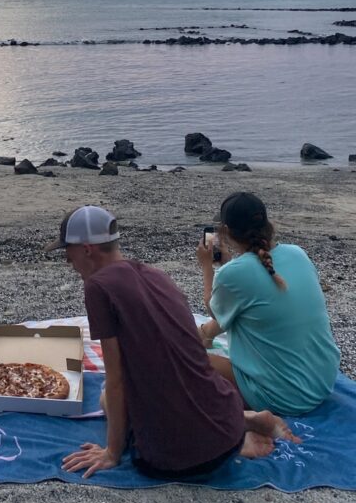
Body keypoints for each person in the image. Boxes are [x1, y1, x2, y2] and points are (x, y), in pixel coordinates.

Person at [52, 205, 299, 479]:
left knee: (107, 398)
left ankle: (241, 440)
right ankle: (247, 420)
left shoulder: (98, 286)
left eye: (68, 251)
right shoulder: (155, 275)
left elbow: (116, 378)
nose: (67, 261)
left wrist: (112, 451)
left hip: (183, 457)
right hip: (225, 417)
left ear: (87, 249)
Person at [198, 191, 340, 416]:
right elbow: (253, 294)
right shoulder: (297, 253)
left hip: (284, 397)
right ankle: (205, 335)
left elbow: (214, 310)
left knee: (185, 359)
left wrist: (208, 267)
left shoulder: (233, 274)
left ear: (225, 232)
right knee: (244, 313)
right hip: (323, 380)